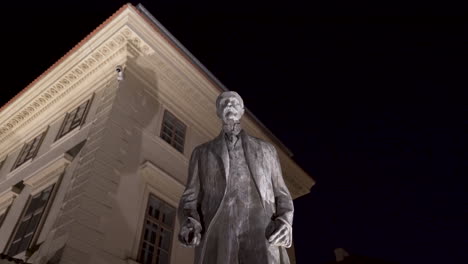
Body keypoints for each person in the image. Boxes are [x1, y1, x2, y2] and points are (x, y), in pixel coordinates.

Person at [178, 91, 294, 264]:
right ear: (218, 113)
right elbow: (189, 198)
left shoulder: (266, 150)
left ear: (242, 110)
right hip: (220, 232)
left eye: (234, 102)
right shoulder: (202, 153)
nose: (229, 105)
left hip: (262, 231)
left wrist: (285, 222)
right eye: (223, 104)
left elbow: (282, 195)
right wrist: (190, 222)